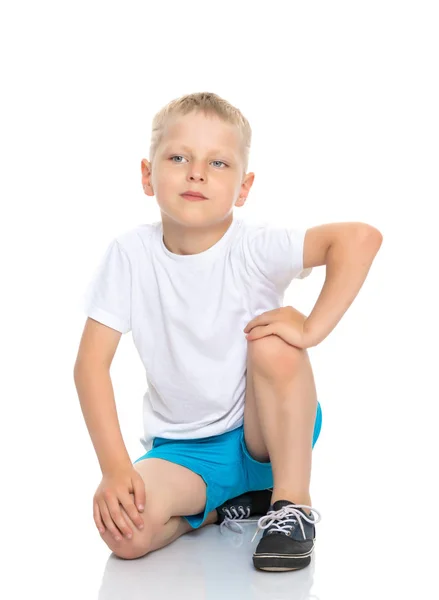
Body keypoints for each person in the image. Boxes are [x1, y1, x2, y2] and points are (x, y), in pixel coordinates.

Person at [73, 91, 382, 572]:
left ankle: (291, 505)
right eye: (178, 157)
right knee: (125, 536)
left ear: (243, 187)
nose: (196, 172)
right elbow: (91, 366)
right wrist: (115, 469)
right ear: (147, 175)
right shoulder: (130, 255)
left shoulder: (255, 247)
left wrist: (312, 327)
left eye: (218, 163)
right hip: (185, 453)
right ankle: (225, 509)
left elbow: (360, 238)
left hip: (265, 434)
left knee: (275, 342)